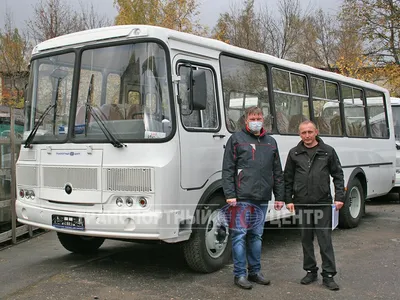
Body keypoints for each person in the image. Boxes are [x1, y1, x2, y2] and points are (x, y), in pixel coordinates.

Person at [222, 106, 285, 290]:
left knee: (256, 236)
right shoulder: (236, 139)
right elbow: (228, 169)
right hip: (241, 197)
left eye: (259, 117)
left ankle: (255, 272)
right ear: (246, 120)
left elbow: (277, 172)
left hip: (262, 197)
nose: (256, 120)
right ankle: (240, 274)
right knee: (239, 235)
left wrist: (279, 196)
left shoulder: (271, 142)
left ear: (263, 119)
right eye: (252, 117)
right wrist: (230, 194)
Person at [284, 120, 344, 291]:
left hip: (322, 203)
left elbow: (338, 175)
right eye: (303, 132)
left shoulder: (328, 152)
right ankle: (310, 271)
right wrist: (288, 200)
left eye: (310, 132)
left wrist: (339, 197)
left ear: (316, 132)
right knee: (306, 239)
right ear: (299, 134)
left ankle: (329, 275)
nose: (307, 136)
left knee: (325, 240)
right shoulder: (294, 153)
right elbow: (287, 178)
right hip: (301, 203)